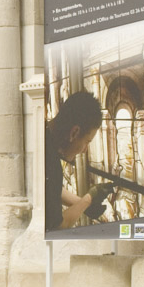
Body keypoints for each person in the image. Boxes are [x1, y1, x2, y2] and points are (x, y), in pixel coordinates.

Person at [44, 90, 112, 231]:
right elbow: (58, 226)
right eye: (87, 141)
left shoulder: (42, 132)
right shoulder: (51, 162)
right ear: (74, 133)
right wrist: (89, 199)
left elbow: (49, 189)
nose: (85, 150)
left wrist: (81, 203)